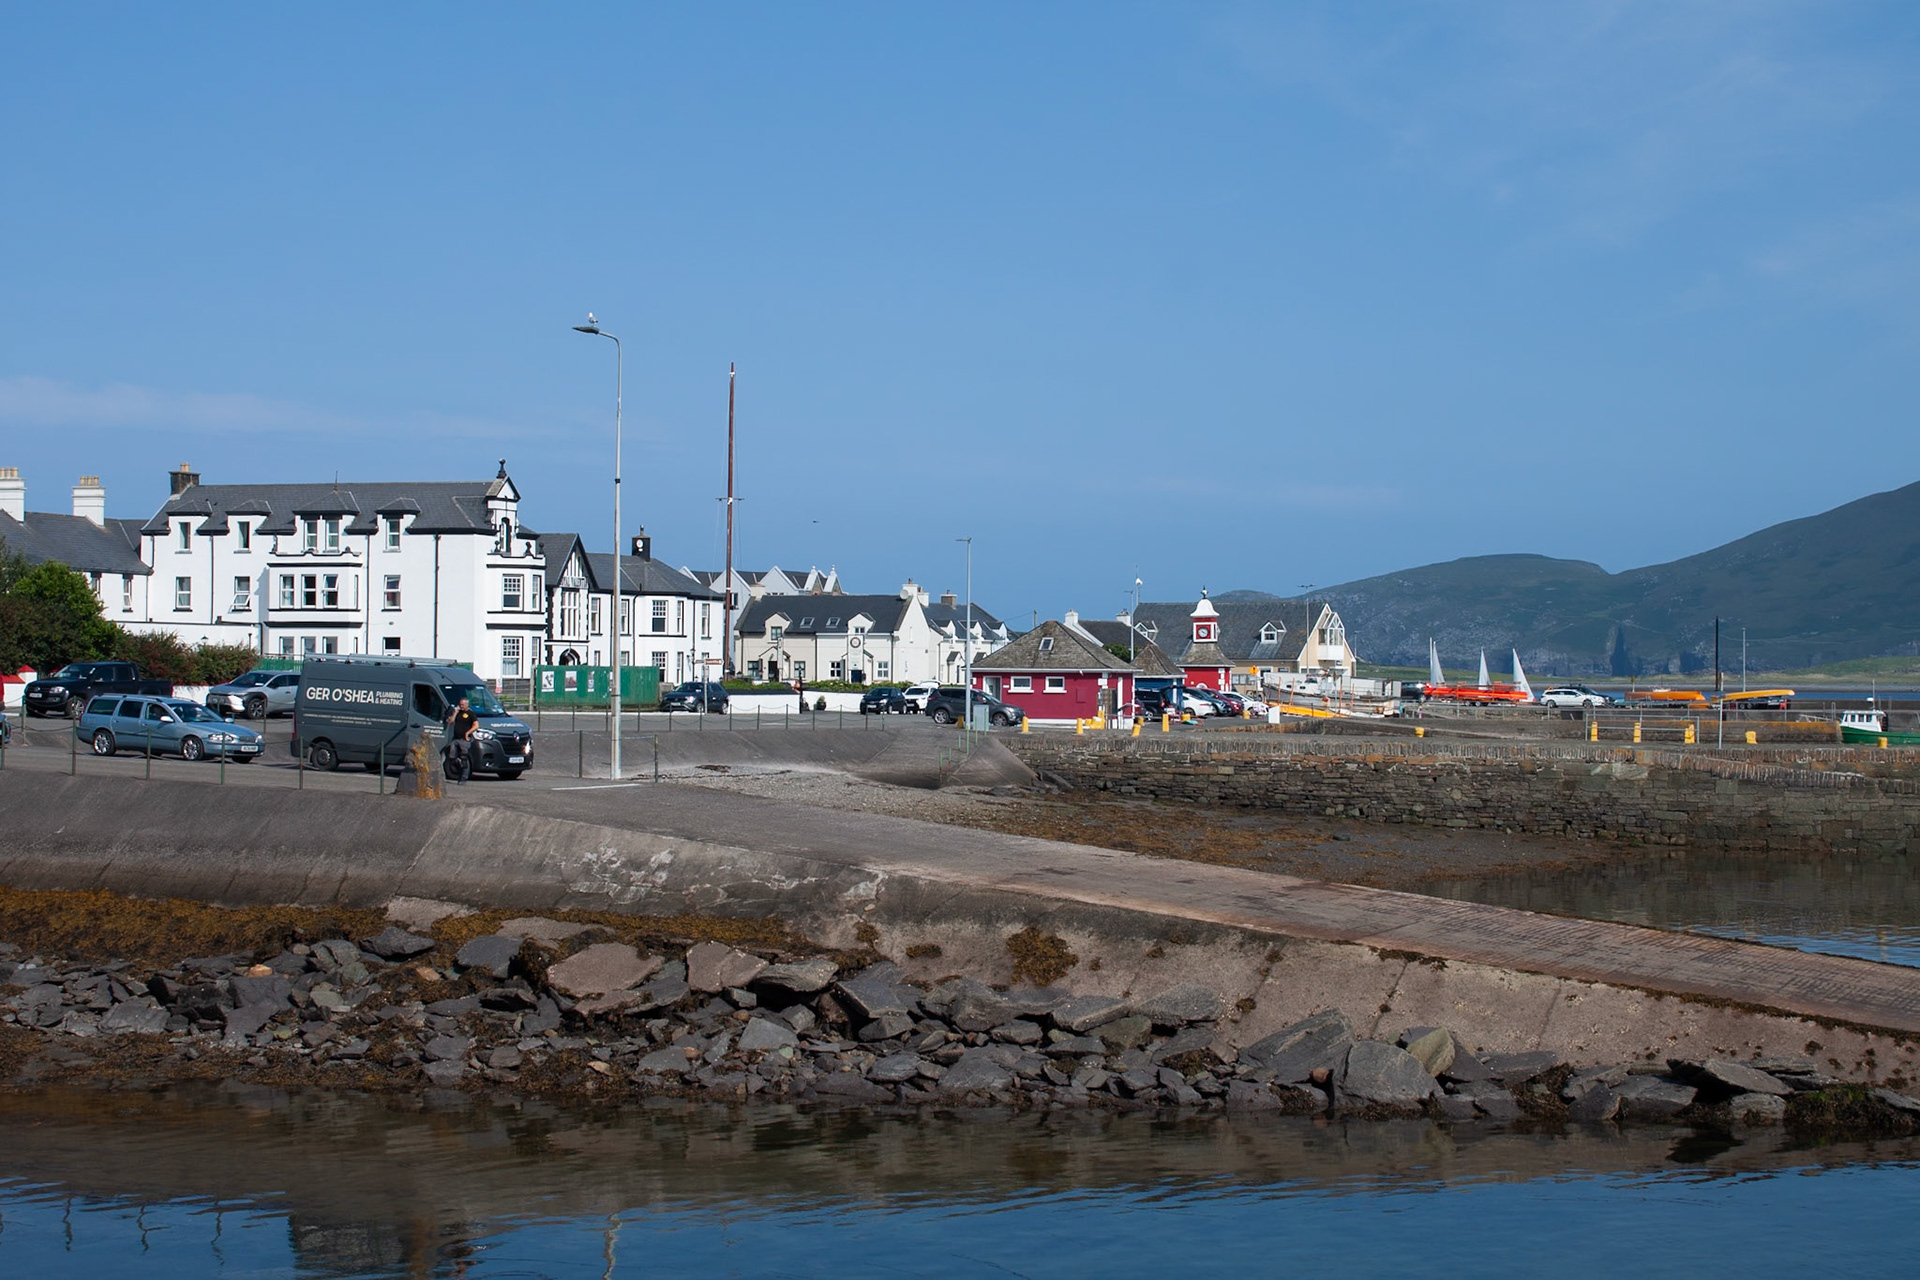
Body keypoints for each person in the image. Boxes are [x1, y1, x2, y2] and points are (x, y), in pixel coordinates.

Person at [445, 696, 478, 782]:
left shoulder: (471, 714)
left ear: (467, 704)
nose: (461, 706)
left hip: (465, 739)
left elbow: (476, 725)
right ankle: (458, 766)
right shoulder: (458, 712)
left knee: (464, 758)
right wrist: (455, 712)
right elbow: (450, 722)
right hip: (456, 738)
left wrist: (468, 733)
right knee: (451, 756)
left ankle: (463, 777)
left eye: (463, 705)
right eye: (460, 705)